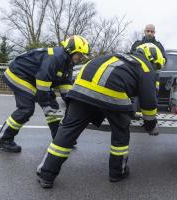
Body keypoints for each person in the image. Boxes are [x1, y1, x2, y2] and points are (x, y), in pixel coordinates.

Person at [36, 42, 166, 188]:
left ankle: (46, 174)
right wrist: (150, 124)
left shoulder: (114, 56)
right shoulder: (145, 67)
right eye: (156, 66)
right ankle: (117, 172)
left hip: (81, 91)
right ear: (152, 59)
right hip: (113, 95)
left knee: (67, 132)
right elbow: (148, 101)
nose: (155, 69)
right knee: (120, 134)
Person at [0, 35, 90, 153]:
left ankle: (59, 139)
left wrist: (72, 102)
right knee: (26, 109)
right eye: (80, 55)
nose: (81, 58)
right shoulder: (55, 58)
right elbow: (43, 83)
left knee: (53, 108)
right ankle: (4, 139)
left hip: (35, 78)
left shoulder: (67, 62)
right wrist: (46, 104)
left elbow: (65, 85)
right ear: (71, 51)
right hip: (19, 74)